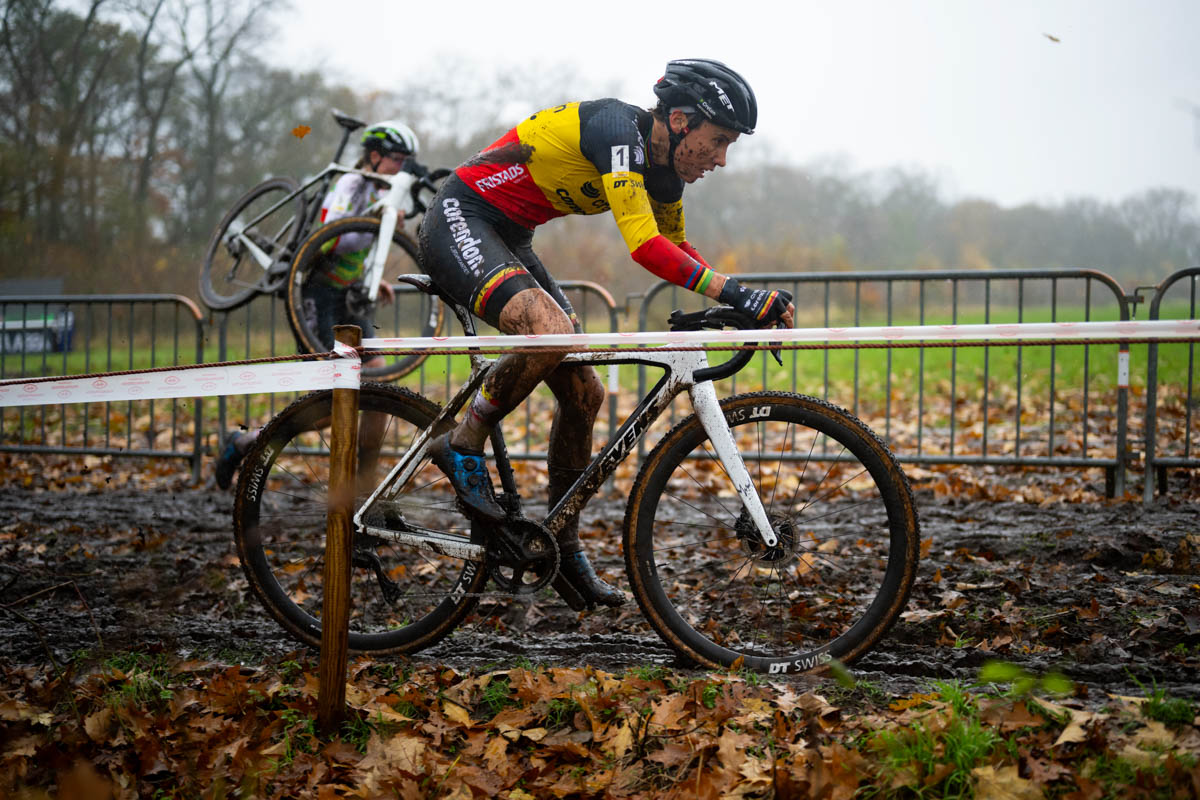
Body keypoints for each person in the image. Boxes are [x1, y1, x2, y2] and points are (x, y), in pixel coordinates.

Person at [417, 59, 795, 610]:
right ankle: (464, 439)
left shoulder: (665, 174)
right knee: (548, 331)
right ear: (682, 120)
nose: (721, 159)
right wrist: (735, 294)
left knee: (586, 394)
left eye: (729, 145)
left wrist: (743, 293)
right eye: (718, 141)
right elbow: (643, 248)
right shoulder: (619, 132)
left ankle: (562, 545)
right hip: (461, 216)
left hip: (511, 235)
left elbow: (675, 247)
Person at [214, 120, 426, 490]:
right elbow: (331, 239)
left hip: (347, 295)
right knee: (333, 401)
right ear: (374, 156)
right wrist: (373, 222)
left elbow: (368, 249)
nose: (401, 167)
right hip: (315, 292)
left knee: (377, 388)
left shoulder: (386, 191)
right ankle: (246, 441)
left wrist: (373, 280)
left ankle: (364, 488)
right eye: (396, 158)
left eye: (407, 161)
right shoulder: (350, 184)